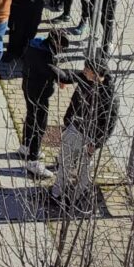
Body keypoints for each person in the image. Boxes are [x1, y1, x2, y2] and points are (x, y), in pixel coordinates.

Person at [51, 57, 119, 211]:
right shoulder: (85, 79)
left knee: (84, 169)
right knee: (64, 162)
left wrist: (96, 144)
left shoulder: (109, 97)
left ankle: (79, 195)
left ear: (95, 74)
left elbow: (109, 124)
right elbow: (68, 78)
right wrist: (68, 120)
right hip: (74, 128)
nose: (83, 71)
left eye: (86, 69)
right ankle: (56, 193)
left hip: (89, 138)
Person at [20, 30, 69, 180]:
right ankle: (33, 160)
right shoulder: (46, 56)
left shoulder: (35, 46)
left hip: (28, 85)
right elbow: (61, 75)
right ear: (56, 43)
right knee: (40, 125)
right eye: (62, 47)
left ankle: (25, 146)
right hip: (39, 92)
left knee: (30, 116)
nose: (61, 51)